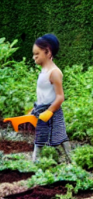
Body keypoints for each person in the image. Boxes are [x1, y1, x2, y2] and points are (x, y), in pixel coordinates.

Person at [31, 33, 71, 162]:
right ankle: (36, 162)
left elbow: (60, 97)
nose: (34, 57)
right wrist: (34, 110)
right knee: (41, 137)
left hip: (52, 111)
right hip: (41, 110)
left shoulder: (54, 73)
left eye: (37, 54)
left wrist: (49, 111)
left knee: (59, 136)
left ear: (47, 52)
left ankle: (70, 160)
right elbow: (42, 94)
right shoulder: (43, 72)